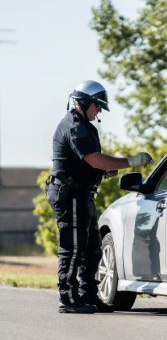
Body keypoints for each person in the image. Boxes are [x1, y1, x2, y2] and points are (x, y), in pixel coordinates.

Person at [47, 80, 153, 314]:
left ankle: (89, 295)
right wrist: (129, 162)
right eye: (97, 106)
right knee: (73, 248)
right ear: (84, 103)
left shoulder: (86, 126)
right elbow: (93, 159)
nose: (99, 112)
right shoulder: (74, 126)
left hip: (82, 195)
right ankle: (69, 298)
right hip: (70, 194)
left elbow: (90, 163)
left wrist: (104, 170)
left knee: (92, 248)